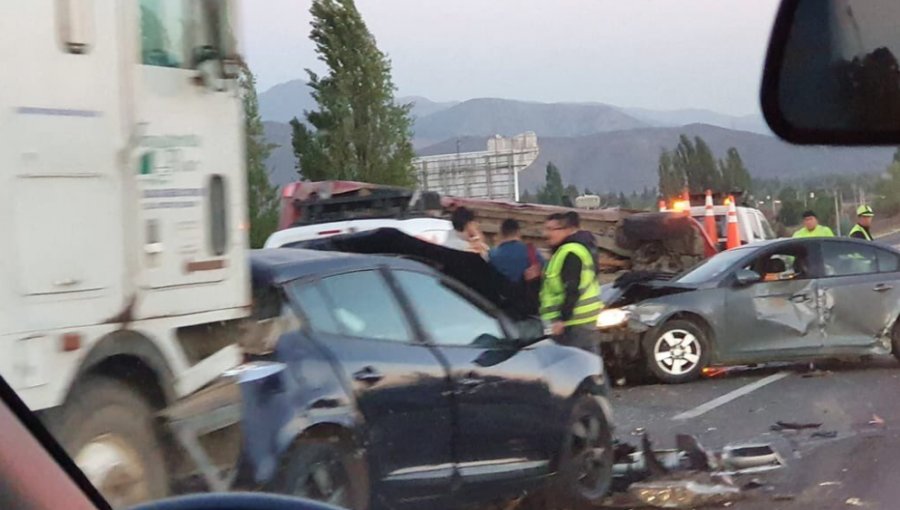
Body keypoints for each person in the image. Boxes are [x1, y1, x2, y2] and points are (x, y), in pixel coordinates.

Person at [540, 212, 604, 355]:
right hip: (580, 320)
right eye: (546, 229)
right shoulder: (575, 248)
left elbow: (571, 288)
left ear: (567, 230)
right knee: (587, 362)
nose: (546, 234)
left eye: (552, 229)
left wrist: (562, 319)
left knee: (577, 365)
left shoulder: (571, 252)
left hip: (574, 322)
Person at [489, 219, 544, 316]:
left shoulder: (492, 255)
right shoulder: (532, 252)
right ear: (518, 232)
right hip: (529, 310)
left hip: (502, 310)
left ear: (501, 233)